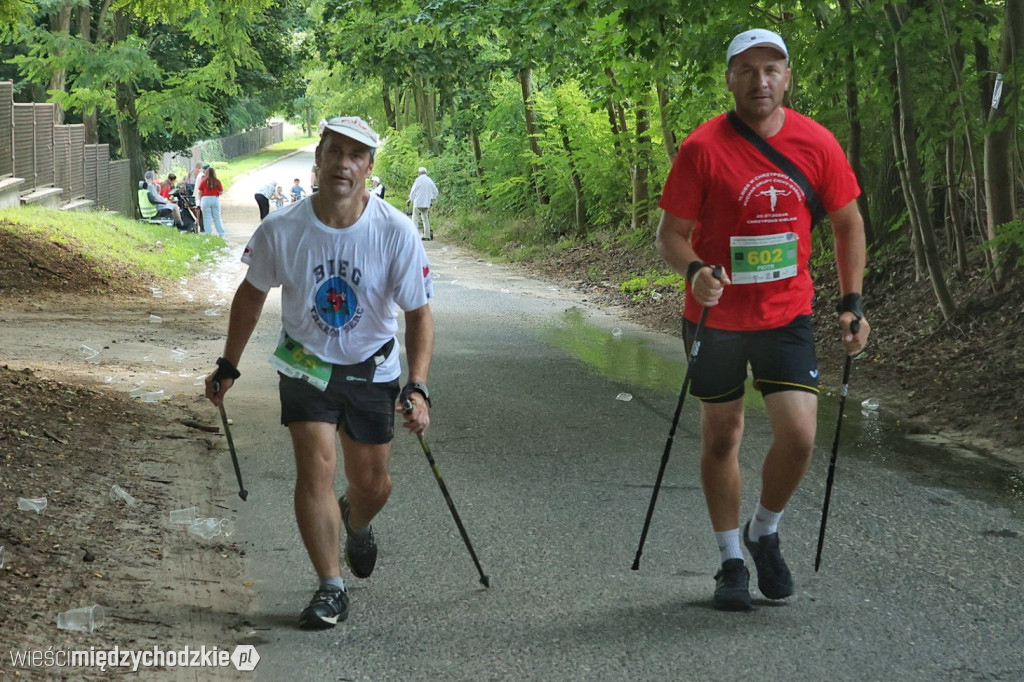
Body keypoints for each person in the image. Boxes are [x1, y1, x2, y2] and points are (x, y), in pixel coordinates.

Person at [655, 28, 870, 612]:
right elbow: (670, 235)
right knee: (723, 436)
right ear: (729, 78)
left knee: (799, 435)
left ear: (788, 77)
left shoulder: (816, 143)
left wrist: (852, 302)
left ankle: (763, 531)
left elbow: (848, 224)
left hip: (786, 315)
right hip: (716, 316)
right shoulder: (702, 148)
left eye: (771, 69)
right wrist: (696, 269)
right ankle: (730, 561)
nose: (760, 81)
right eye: (747, 70)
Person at [204, 115, 435, 631]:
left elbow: (418, 314)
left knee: (372, 484)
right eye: (335, 152)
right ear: (318, 159)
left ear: (369, 168)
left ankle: (356, 520)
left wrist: (417, 386)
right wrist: (228, 364)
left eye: (356, 156)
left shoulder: (395, 231)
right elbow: (251, 293)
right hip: (306, 364)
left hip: (373, 366)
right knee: (316, 469)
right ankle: (331, 586)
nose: (343, 164)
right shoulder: (282, 229)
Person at [407, 167, 438, 240]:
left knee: (415, 218)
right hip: (426, 203)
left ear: (419, 173)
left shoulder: (418, 180)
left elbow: (413, 191)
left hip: (418, 202)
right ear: (426, 173)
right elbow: (436, 191)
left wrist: (410, 199)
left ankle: (415, 235)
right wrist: (431, 198)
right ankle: (427, 236)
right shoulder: (429, 180)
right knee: (425, 219)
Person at [198, 166, 226, 237]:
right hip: (215, 198)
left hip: (205, 199)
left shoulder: (203, 181)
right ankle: (221, 233)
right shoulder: (217, 181)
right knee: (217, 217)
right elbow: (220, 192)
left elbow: (200, 192)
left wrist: (199, 200)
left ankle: (208, 233)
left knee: (206, 217)